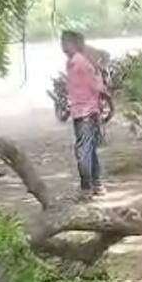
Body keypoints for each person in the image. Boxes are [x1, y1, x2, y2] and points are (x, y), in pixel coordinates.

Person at [61, 30, 110, 200]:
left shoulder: (80, 63)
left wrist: (107, 100)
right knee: (89, 151)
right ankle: (97, 185)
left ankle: (86, 188)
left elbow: (96, 87)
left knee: (83, 151)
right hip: (82, 112)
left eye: (65, 43)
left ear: (74, 44)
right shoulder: (73, 63)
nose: (62, 47)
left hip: (86, 114)